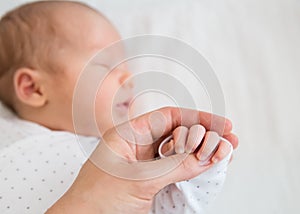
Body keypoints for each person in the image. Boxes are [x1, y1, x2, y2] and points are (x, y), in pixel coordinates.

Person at [0, 1, 238, 213]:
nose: (129, 78)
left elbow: (173, 207)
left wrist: (194, 164)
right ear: (33, 89)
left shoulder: (124, 160)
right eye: (104, 64)